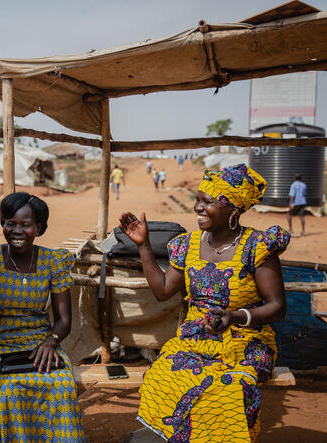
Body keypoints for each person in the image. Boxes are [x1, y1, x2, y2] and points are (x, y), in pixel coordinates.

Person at [119, 164, 289, 442]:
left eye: (207, 201)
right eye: (197, 199)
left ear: (232, 209)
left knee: (229, 389)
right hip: (194, 340)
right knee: (162, 374)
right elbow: (162, 291)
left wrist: (234, 317)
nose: (197, 207)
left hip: (245, 343)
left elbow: (278, 308)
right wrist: (143, 246)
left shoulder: (257, 246)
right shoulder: (187, 245)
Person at [0, 192, 86, 442]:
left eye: (26, 225)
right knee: (8, 388)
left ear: (39, 227)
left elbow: (64, 320)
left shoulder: (53, 262)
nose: (17, 231)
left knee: (61, 386)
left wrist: (50, 342)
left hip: (40, 344)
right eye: (10, 223)